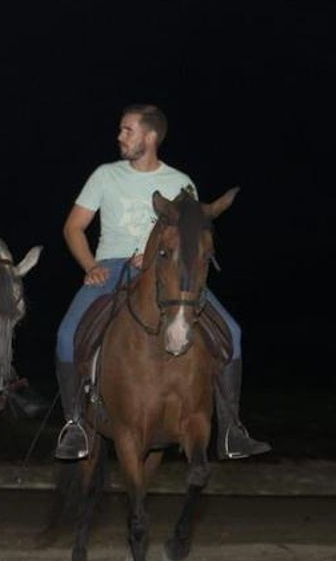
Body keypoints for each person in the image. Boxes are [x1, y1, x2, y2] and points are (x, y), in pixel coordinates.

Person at [52, 104, 268, 461]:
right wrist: (90, 265)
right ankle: (75, 424)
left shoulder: (180, 183)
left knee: (233, 332)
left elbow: (191, 238)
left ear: (150, 136)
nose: (120, 137)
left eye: (127, 130)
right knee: (66, 334)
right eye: (122, 130)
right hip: (112, 266)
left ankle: (231, 427)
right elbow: (73, 227)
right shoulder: (105, 176)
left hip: (169, 274)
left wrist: (158, 260)